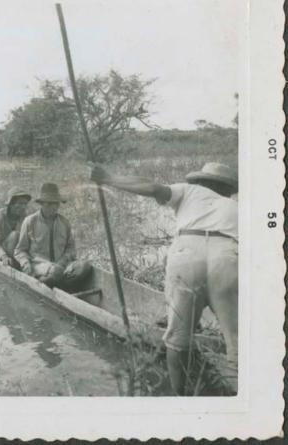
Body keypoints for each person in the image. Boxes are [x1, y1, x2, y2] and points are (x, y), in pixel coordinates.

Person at [90, 161, 238, 395]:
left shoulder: (190, 191)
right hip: (228, 256)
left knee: (178, 339)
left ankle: (179, 395)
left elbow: (151, 188)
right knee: (236, 339)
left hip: (187, 253)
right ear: (228, 188)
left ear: (201, 181)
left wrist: (109, 178)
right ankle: (235, 401)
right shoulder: (235, 206)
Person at [14, 183, 92, 290]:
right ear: (42, 204)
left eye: (56, 203)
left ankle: (54, 283)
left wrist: (61, 263)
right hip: (39, 266)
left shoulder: (64, 223)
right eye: (50, 204)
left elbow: (70, 249)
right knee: (53, 272)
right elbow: (20, 250)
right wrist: (25, 263)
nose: (54, 207)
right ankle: (53, 283)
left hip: (61, 266)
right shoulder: (30, 222)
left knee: (85, 266)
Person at [0, 187, 32, 267]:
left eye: (25, 204)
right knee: (15, 235)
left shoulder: (23, 216)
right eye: (19, 203)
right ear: (11, 204)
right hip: (0, 250)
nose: (23, 207)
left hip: (16, 252)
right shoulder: (0, 215)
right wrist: (3, 256)